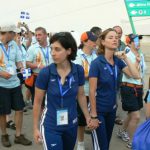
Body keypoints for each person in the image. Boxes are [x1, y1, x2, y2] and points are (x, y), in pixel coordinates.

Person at [33, 32, 99, 150]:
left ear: (68, 51)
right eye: (51, 49)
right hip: (51, 124)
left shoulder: (78, 70)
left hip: (71, 123)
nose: (53, 53)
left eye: (57, 49)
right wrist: (35, 128)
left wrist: (88, 117)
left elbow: (81, 95)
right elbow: (37, 102)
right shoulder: (46, 73)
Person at [89, 28, 140, 150]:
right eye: (111, 37)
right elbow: (92, 90)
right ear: (103, 42)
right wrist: (94, 116)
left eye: (116, 38)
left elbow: (136, 75)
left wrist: (126, 58)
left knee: (106, 144)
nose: (115, 40)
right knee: (101, 146)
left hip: (111, 109)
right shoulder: (97, 63)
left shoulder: (117, 61)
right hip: (99, 110)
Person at [0, 23, 32, 147]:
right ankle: (4, 135)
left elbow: (18, 61)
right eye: (14, 33)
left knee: (19, 109)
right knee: (3, 112)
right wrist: (1, 73)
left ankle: (18, 135)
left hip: (15, 84)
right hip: (1, 85)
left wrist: (22, 68)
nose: (16, 35)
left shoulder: (14, 44)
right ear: (7, 33)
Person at [117, 34, 146, 149]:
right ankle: (132, 141)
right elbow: (130, 74)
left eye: (139, 41)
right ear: (129, 43)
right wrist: (137, 63)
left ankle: (122, 131)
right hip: (129, 87)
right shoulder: (126, 56)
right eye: (135, 41)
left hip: (138, 87)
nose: (138, 43)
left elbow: (141, 74)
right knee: (136, 116)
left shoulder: (141, 55)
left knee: (131, 113)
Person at [74, 31, 98, 150]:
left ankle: (96, 143)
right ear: (84, 42)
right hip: (81, 93)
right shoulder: (76, 55)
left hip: (94, 93)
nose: (95, 43)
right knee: (81, 121)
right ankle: (80, 143)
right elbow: (76, 74)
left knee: (95, 118)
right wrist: (91, 76)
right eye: (93, 40)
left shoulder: (96, 55)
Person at [26, 27, 53, 106]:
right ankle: (38, 118)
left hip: (52, 76)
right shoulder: (32, 48)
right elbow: (27, 63)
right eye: (36, 35)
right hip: (38, 77)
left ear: (45, 35)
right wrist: (37, 65)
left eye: (40, 35)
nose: (37, 37)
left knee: (51, 100)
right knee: (38, 102)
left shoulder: (52, 47)